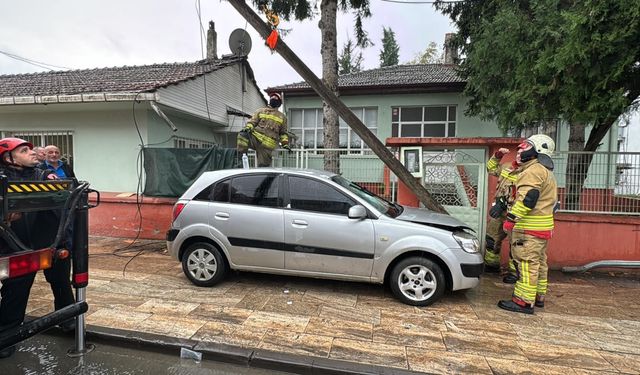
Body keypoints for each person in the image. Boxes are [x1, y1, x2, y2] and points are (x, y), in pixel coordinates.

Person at [0, 138, 58, 359]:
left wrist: (52, 179)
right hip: (5, 244)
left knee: (18, 290)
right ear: (8, 158)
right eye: (24, 151)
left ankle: (7, 337)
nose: (33, 153)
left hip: (22, 248)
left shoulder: (39, 175)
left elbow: (51, 182)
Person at [498, 134, 558, 315]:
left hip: (528, 228)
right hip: (542, 228)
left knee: (526, 263)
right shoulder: (545, 171)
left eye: (525, 146)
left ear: (536, 151)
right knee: (539, 263)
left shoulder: (532, 171)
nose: (521, 149)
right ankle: (539, 296)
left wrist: (511, 219)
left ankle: (523, 302)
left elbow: (527, 200)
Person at [38, 144, 76, 332]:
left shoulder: (64, 168)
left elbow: (74, 184)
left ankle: (67, 318)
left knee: (61, 278)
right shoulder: (39, 172)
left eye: (55, 152)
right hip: (32, 237)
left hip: (61, 230)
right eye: (45, 154)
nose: (51, 155)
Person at [484, 147, 519, 283]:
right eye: (518, 153)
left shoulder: (529, 174)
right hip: (499, 211)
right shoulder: (506, 167)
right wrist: (497, 156)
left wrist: (504, 204)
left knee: (515, 243)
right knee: (491, 237)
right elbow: (491, 168)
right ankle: (491, 266)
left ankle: (514, 273)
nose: (519, 156)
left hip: (515, 213)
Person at [237, 92, 289, 167]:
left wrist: (285, 144)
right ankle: (241, 160)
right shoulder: (260, 111)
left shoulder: (282, 117)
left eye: (275, 98)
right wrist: (248, 128)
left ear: (279, 103)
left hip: (267, 146)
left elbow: (283, 133)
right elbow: (252, 122)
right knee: (242, 135)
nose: (273, 99)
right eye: (272, 98)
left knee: (263, 167)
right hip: (255, 139)